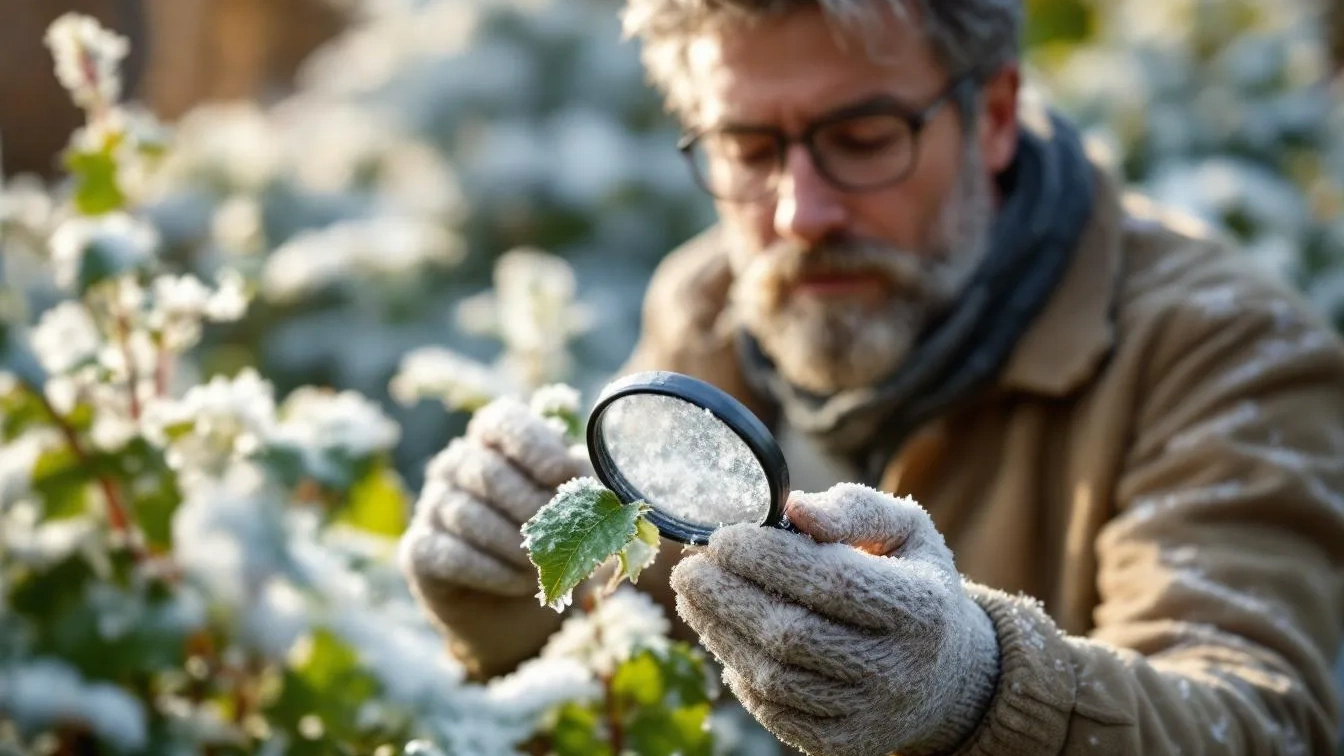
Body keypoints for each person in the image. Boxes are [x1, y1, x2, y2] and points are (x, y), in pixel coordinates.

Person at [397, 0, 1344, 753]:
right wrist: (505, 609)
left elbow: (1259, 721)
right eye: (749, 148)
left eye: (863, 137)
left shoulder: (1222, 348)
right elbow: (646, 659)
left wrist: (976, 690)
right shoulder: (709, 304)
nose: (801, 214)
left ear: (995, 117)